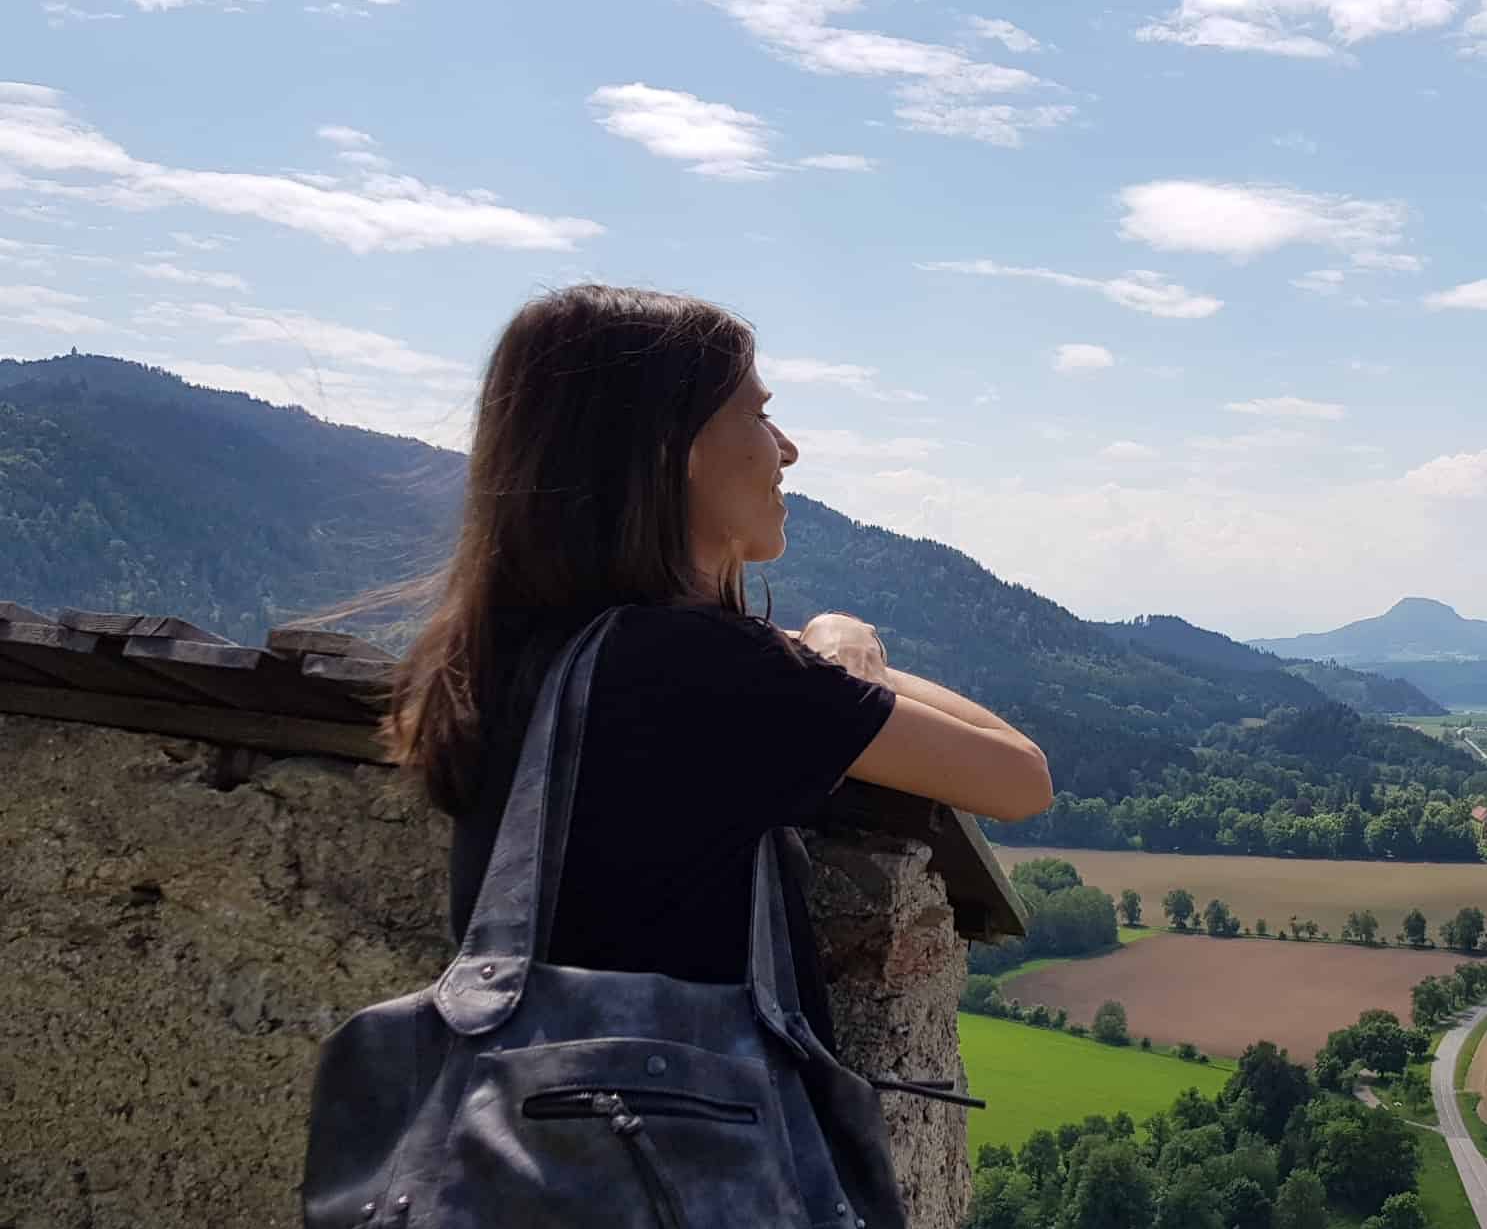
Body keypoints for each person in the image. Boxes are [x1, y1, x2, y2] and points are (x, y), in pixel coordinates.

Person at [375, 283, 1052, 1048]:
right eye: (758, 414)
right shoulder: (712, 671)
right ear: (675, 447)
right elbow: (1020, 778)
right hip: (678, 1143)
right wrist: (842, 643)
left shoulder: (501, 653)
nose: (786, 448)